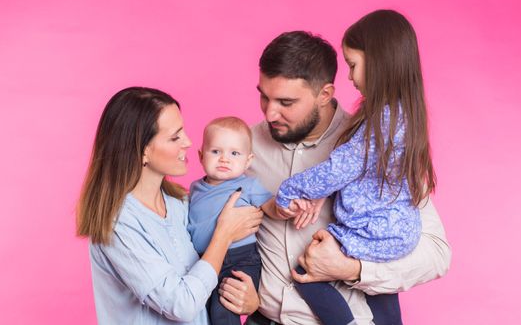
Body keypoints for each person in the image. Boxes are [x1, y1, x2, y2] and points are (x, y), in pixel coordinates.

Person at [219, 27, 451, 324]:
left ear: (324, 94)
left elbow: (436, 254)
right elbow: (217, 222)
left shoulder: (379, 145)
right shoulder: (241, 148)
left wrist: (351, 269)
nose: (270, 114)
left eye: (286, 103)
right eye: (265, 97)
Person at [273, 9, 434, 324]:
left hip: (372, 230)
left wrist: (288, 190)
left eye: (352, 65)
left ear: (379, 63)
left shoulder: (382, 123)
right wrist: (329, 193)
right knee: (382, 294)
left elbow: (339, 169)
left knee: (305, 268)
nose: (348, 77)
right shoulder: (404, 114)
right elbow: (365, 176)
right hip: (394, 230)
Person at [76, 87, 263, 324]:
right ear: (142, 150)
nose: (188, 142)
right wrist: (224, 234)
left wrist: (249, 301)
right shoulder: (118, 224)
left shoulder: (180, 203)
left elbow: (205, 282)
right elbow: (181, 305)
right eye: (175, 137)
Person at [188, 116, 273, 325]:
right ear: (201, 156)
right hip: (204, 260)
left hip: (240, 259)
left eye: (234, 153)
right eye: (216, 151)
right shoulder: (194, 188)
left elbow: (271, 206)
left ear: (248, 160)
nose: (224, 159)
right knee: (202, 312)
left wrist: (287, 208)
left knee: (223, 309)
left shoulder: (248, 185)